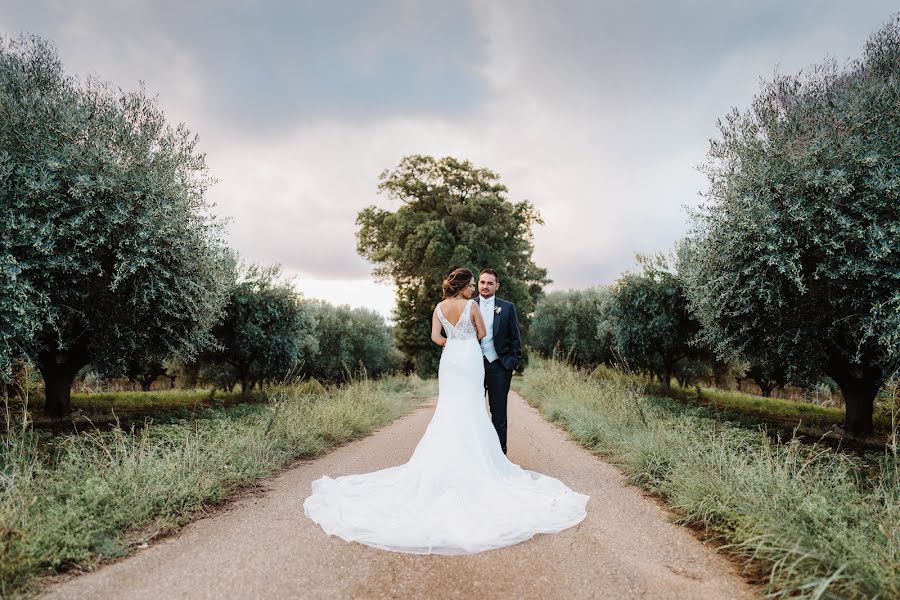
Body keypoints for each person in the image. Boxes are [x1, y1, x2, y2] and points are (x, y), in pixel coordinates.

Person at [303, 267, 588, 555]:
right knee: (473, 408)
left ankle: (445, 463)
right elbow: (482, 333)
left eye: (481, 284)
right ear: (463, 286)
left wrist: (452, 341)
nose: (476, 288)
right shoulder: (472, 306)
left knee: (450, 408)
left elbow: (435, 338)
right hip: (470, 359)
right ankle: (482, 462)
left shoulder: (439, 308)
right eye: (472, 284)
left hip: (451, 359)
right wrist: (466, 339)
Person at [475, 268, 520, 454]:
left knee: (499, 413)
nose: (485, 286)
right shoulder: (468, 305)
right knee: (474, 412)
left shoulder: (507, 308)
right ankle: (477, 454)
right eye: (482, 282)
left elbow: (515, 338)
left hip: (499, 367)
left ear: (497, 286)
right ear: (478, 283)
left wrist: (512, 363)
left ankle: (500, 455)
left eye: (490, 283)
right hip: (474, 367)